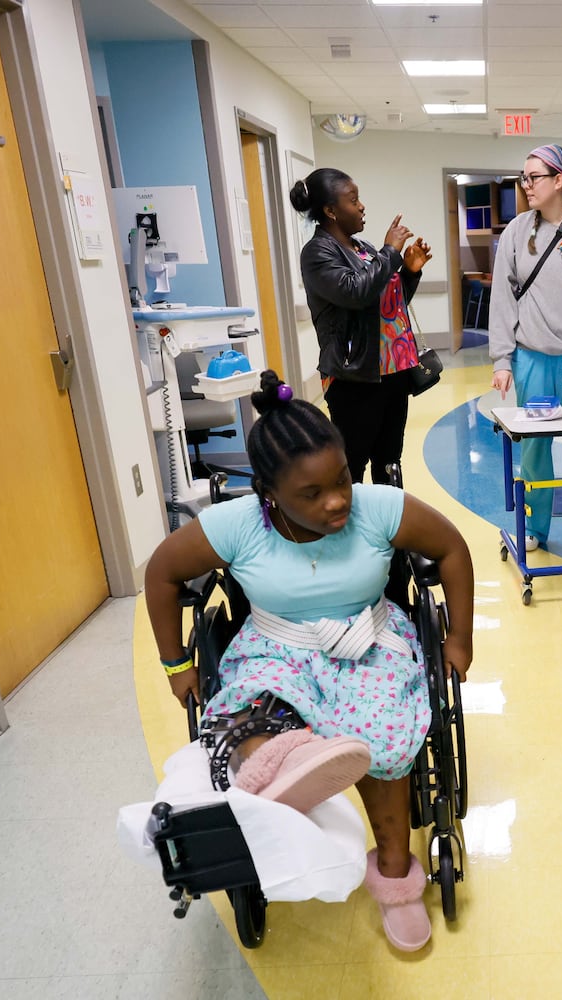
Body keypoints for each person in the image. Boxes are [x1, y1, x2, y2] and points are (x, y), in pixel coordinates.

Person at [144, 371, 474, 952]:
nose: (337, 500)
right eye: (312, 494)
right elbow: (162, 574)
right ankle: (289, 767)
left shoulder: (378, 508)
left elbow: (452, 549)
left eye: (342, 478)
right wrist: (177, 666)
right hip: (277, 647)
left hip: (367, 641)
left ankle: (395, 879)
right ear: (269, 494)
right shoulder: (238, 525)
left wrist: (459, 641)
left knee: (386, 744)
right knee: (247, 710)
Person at [489, 144, 562, 553]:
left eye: (534, 177)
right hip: (532, 359)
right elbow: (503, 299)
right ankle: (536, 528)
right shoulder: (518, 232)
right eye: (523, 178)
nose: (526, 186)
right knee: (535, 449)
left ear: (560, 180)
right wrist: (503, 359)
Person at [291, 168, 434, 487]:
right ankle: (352, 534)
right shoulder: (317, 253)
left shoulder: (364, 248)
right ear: (330, 211)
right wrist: (391, 252)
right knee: (351, 465)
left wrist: (409, 272)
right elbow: (353, 293)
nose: (362, 206)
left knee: (389, 462)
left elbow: (388, 306)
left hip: (393, 373)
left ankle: (388, 531)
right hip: (354, 378)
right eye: (353, 200)